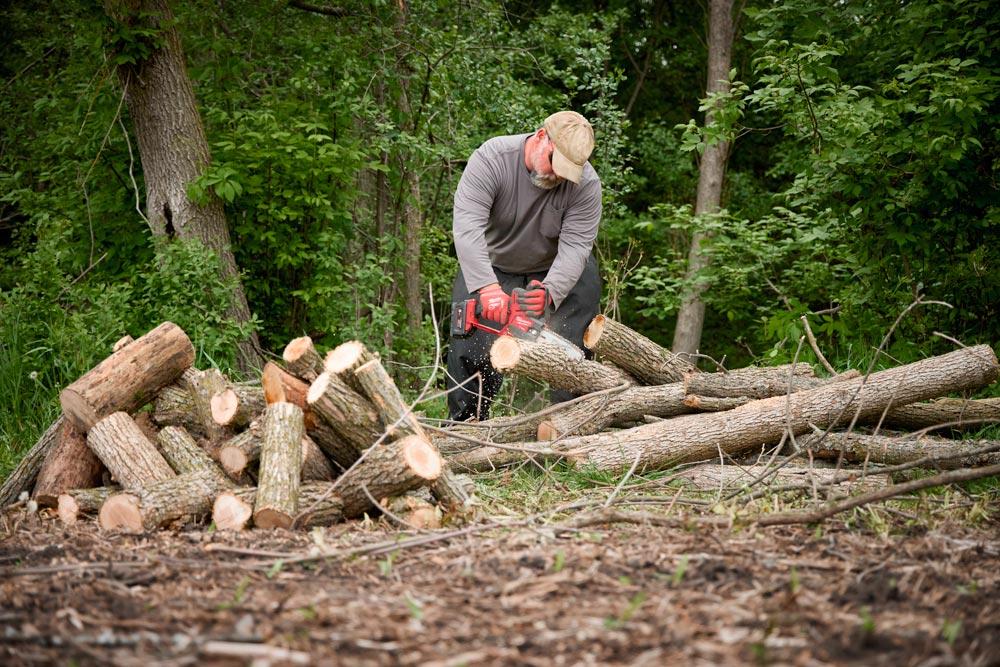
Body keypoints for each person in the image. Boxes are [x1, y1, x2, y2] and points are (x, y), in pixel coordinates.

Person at [446, 110, 603, 421]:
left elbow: (575, 248)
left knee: (576, 333)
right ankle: (467, 425)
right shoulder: (492, 158)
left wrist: (551, 291)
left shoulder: (586, 184)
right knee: (470, 329)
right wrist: (487, 288)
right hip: (494, 264)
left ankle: (570, 423)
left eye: (565, 171)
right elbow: (466, 227)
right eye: (553, 163)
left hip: (555, 267)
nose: (556, 175)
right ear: (542, 136)